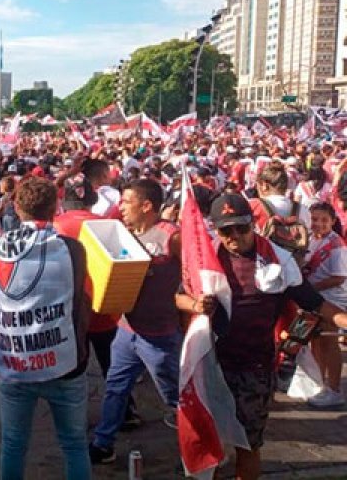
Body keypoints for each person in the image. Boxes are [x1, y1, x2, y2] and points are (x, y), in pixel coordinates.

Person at [179, 193, 347, 480]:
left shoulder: (279, 260)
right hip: (212, 364)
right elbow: (179, 296)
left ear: (252, 224)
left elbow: (313, 302)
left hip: (255, 368)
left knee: (250, 444)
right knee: (211, 443)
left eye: (241, 228)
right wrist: (196, 305)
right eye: (226, 230)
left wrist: (344, 320)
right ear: (216, 229)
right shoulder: (206, 255)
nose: (234, 237)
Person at [0, 177, 91, 480]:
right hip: (65, 360)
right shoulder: (72, 249)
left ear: (16, 208)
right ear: (56, 207)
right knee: (74, 444)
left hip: (14, 361)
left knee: (13, 444)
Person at [90, 179, 182, 465]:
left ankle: (202, 443)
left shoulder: (172, 236)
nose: (121, 207)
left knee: (175, 395)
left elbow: (195, 270)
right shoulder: (125, 233)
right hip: (127, 330)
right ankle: (103, 444)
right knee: (115, 387)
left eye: (127, 202)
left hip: (160, 335)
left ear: (147, 206)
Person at [54, 174, 139, 430]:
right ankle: (125, 412)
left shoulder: (53, 225)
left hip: (69, 308)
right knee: (112, 366)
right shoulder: (106, 223)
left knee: (73, 367)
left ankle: (74, 417)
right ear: (91, 200)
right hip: (104, 306)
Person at [303, 202, 347, 407]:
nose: (318, 224)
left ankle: (335, 388)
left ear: (333, 222)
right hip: (316, 300)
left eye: (324, 220)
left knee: (329, 343)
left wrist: (312, 289)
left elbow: (338, 277)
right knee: (316, 341)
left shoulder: (336, 245)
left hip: (331, 301)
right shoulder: (310, 240)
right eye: (314, 219)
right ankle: (319, 384)